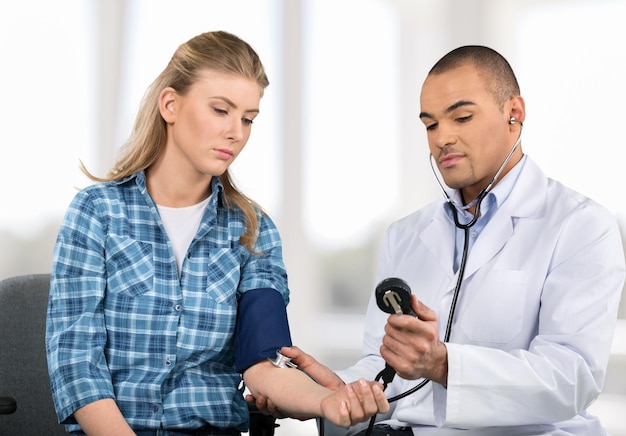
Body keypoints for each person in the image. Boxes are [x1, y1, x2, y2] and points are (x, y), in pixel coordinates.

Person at [254, 45, 626, 435]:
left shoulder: (581, 226)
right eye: (430, 125)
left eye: (461, 117)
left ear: (513, 113)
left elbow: (570, 378)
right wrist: (331, 391)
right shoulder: (405, 235)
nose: (441, 138)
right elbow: (386, 367)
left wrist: (443, 364)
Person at [45, 30, 388, 436]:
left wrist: (326, 400)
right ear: (170, 105)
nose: (237, 132)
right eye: (221, 110)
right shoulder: (96, 213)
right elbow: (77, 363)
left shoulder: (254, 232)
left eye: (248, 119)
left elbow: (263, 362)